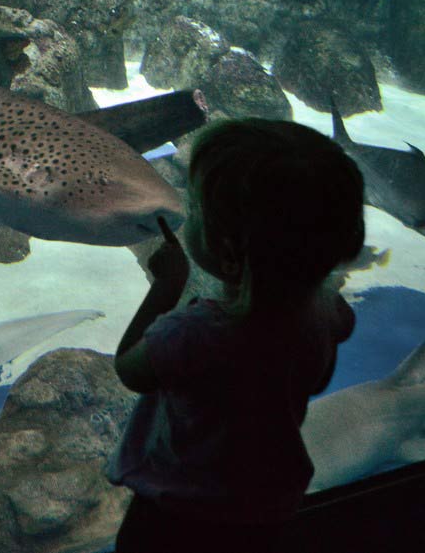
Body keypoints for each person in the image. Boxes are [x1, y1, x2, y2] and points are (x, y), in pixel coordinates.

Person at [107, 118, 366, 553]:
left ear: (226, 251)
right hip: (263, 514)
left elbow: (130, 369)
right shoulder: (325, 317)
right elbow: (316, 378)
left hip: (172, 519)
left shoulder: (194, 334)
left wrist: (166, 287)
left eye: (197, 210)